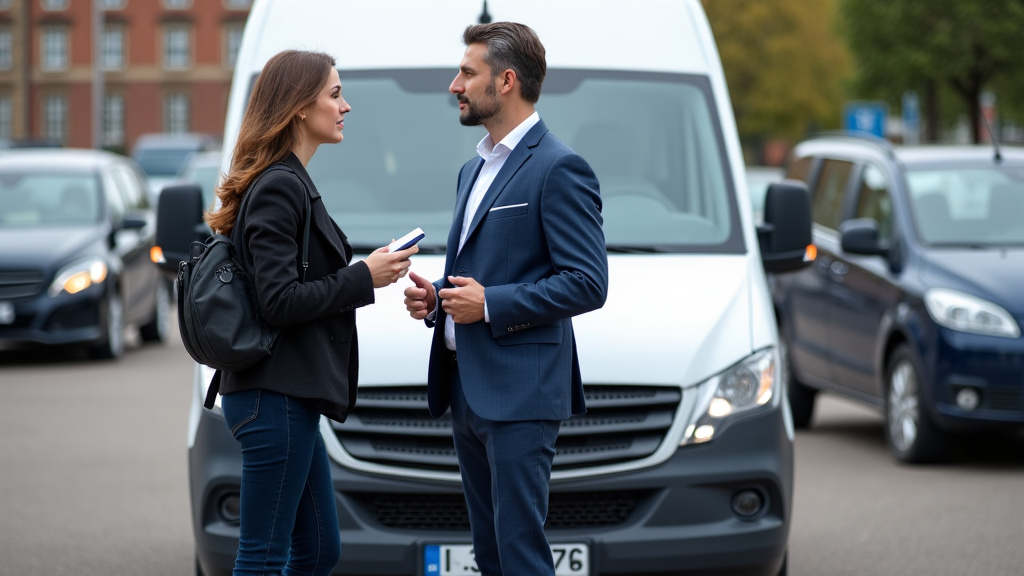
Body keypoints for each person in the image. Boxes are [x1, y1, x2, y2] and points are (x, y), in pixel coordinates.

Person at [403, 22, 608, 576]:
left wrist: (490, 304)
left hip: (521, 396)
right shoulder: (473, 169)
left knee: (520, 558)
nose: (455, 85)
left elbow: (589, 282)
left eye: (468, 73)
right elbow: (479, 274)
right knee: (490, 556)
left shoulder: (559, 167)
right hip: (466, 387)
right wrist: (438, 300)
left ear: (507, 81)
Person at [206, 49, 417, 576]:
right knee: (262, 554)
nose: (345, 106)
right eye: (335, 94)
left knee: (320, 548)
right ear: (300, 107)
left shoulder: (290, 180)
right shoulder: (279, 185)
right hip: (272, 396)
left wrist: (361, 275)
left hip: (290, 395)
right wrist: (363, 276)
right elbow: (278, 301)